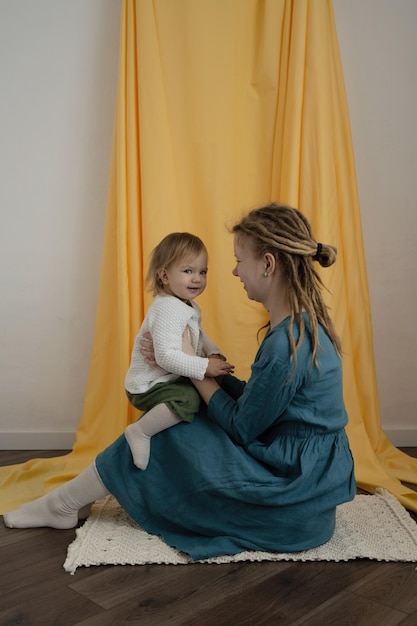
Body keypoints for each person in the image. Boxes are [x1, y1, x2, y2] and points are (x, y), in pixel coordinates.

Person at [3, 203, 355, 562]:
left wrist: (189, 365)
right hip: (310, 502)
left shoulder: (285, 345)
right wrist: (196, 364)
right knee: (182, 413)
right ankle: (66, 502)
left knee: (170, 428)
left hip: (291, 502)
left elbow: (242, 426)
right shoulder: (301, 329)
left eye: (239, 260)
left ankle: (62, 504)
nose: (234, 271)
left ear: (267, 264)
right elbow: (263, 405)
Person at [123, 231, 234, 470]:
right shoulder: (168, 309)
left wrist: (214, 354)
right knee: (189, 397)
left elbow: (200, 336)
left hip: (168, 377)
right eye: (188, 271)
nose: (197, 279)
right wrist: (205, 367)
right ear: (164, 275)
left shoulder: (187, 305)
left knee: (208, 390)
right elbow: (165, 356)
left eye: (202, 272)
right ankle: (140, 432)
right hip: (148, 384)